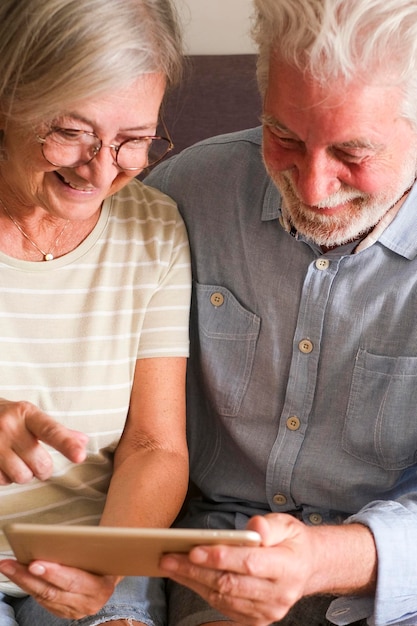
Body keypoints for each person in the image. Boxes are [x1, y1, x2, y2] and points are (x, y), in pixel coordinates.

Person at [144, 0, 417, 624]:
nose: (315, 187)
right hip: (204, 580)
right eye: (285, 137)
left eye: (354, 151)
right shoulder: (182, 196)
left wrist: (321, 559)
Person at [0, 1, 191, 625]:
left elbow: (154, 444)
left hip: (96, 549)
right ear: (9, 96)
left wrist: (105, 568)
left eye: (134, 140)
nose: (102, 168)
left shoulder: (154, 229)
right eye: (72, 132)